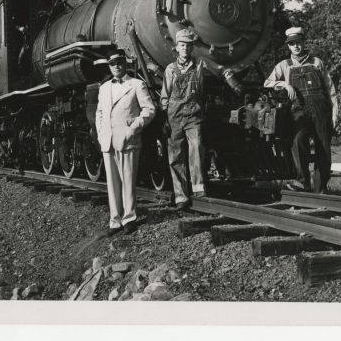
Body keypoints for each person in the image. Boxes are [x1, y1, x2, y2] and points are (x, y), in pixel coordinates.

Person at [160, 29, 242, 210]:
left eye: (189, 46)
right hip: (174, 116)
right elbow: (165, 96)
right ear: (177, 47)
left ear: (192, 48)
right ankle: (181, 197)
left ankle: (199, 190)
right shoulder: (170, 69)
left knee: (196, 148)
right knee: (175, 157)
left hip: (193, 115)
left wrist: (234, 83)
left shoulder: (200, 64)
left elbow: (222, 70)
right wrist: (165, 118)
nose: (185, 49)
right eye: (182, 45)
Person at [264, 27, 338, 193]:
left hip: (321, 110)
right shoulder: (284, 65)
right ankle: (302, 182)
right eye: (292, 44)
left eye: (298, 42)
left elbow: (330, 89)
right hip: (299, 112)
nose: (296, 46)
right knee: (297, 141)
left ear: (303, 42)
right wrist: (284, 84)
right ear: (288, 46)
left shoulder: (317, 62)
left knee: (323, 148)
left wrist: (335, 113)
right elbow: (267, 83)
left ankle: (321, 187)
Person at [95, 48, 156, 235]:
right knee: (112, 184)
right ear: (109, 66)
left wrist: (133, 129)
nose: (116, 66)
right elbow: (100, 113)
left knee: (128, 179)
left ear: (125, 64)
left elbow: (149, 110)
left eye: (119, 63)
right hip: (108, 140)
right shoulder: (104, 88)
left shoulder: (137, 84)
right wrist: (100, 132)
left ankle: (129, 218)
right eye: (112, 64)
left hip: (128, 139)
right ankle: (115, 220)